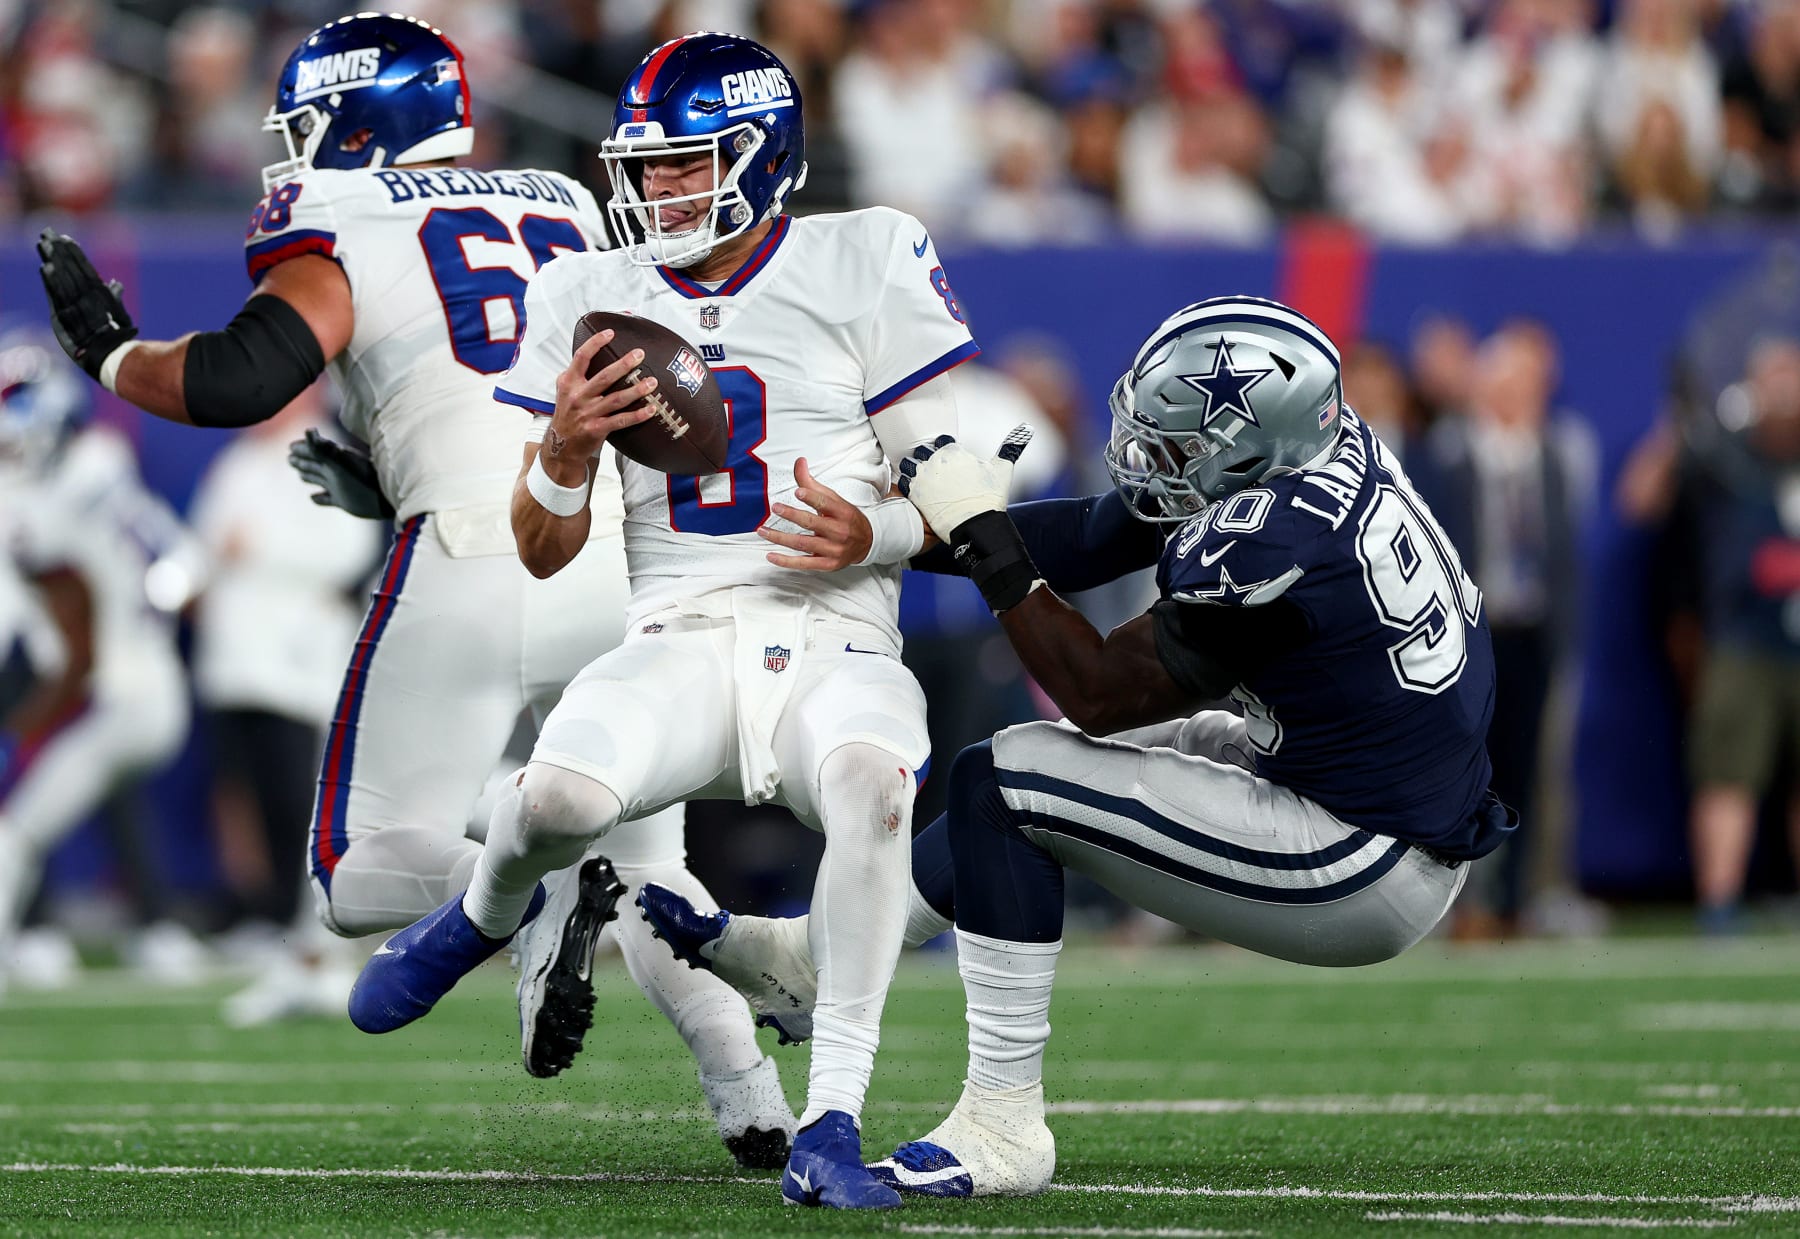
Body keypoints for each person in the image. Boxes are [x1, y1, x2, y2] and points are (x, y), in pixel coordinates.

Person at [35, 13, 793, 1167]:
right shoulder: (565, 199)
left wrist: (111, 354)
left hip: (473, 557)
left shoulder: (336, 208)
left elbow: (244, 378)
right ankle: (750, 1095)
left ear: (352, 121)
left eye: (306, 124)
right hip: (603, 553)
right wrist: (392, 470)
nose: (293, 148)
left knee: (355, 870)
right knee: (648, 869)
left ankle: (524, 899)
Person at [642, 295, 1514, 1197]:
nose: (1154, 462)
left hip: (1360, 856)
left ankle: (1001, 1122)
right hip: (1344, 776)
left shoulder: (1278, 542)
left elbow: (1097, 691)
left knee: (1006, 783)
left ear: (1248, 447)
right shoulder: (1315, 453)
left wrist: (982, 538)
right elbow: (1096, 535)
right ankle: (806, 965)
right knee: (1023, 774)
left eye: (1180, 448)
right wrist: (886, 535)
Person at [350, 31, 978, 1211]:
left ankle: (834, 1120)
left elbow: (964, 498)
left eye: (689, 162)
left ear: (764, 153)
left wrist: (877, 532)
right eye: (646, 166)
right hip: (678, 631)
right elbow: (541, 551)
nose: (661, 188)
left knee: (873, 786)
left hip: (836, 637)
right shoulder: (587, 291)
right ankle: (478, 917)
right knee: (556, 802)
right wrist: (563, 446)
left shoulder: (865, 254)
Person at [0, 328, 199, 990]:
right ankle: (143, 926)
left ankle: (34, 937)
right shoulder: (105, 463)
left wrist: (48, 699)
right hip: (151, 681)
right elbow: (179, 563)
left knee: (16, 829)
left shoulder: (50, 500)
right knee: (65, 804)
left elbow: (70, 622)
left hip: (102, 687)